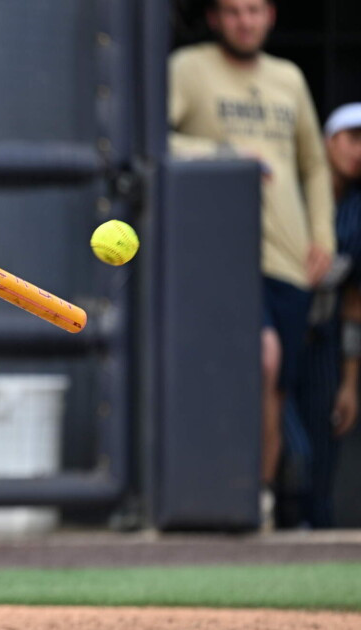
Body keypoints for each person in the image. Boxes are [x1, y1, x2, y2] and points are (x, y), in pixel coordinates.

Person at [168, 0, 336, 527]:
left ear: (271, 16)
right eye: (234, 11)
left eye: (255, 10)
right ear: (215, 18)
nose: (245, 21)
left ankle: (257, 501)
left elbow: (312, 164)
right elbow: (155, 139)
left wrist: (322, 235)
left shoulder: (287, 77)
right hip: (219, 252)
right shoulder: (189, 67)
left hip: (290, 258)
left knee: (279, 383)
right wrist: (224, 153)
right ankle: (221, 492)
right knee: (257, 361)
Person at [284, 104, 361, 528]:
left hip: (323, 344)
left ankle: (313, 541)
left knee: (322, 460)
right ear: (327, 142)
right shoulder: (288, 195)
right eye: (352, 139)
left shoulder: (357, 211)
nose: (359, 151)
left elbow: (354, 300)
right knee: (292, 451)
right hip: (278, 329)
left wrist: (350, 382)